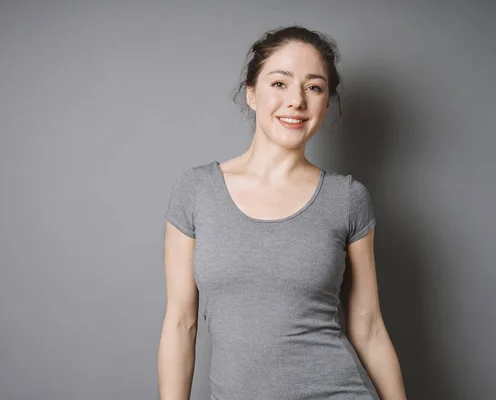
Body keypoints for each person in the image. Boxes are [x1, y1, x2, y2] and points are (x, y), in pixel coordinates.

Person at [158, 25, 407, 400]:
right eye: (280, 83)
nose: (296, 101)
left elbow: (368, 326)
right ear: (252, 93)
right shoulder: (196, 191)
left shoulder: (348, 198)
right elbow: (180, 323)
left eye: (314, 87)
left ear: (327, 103)